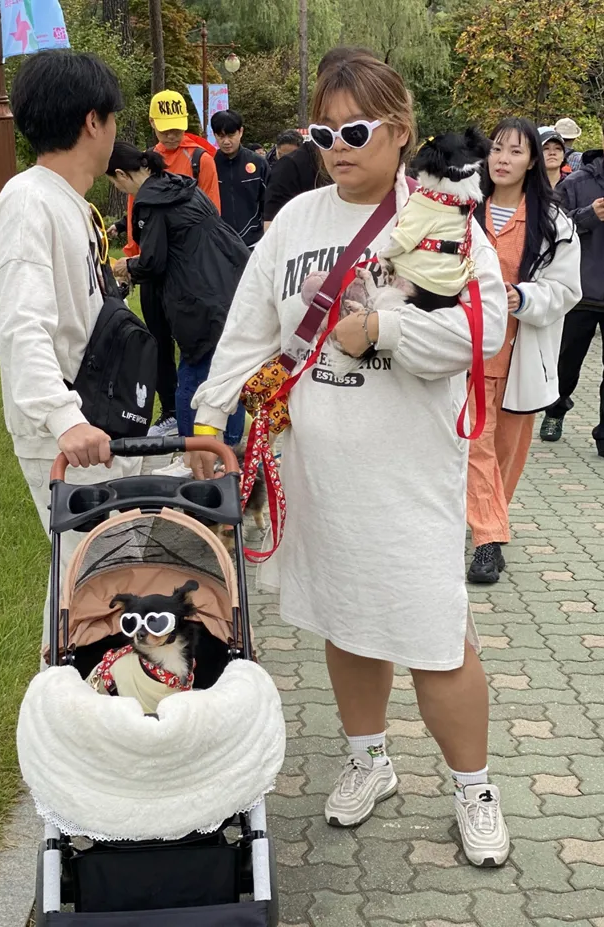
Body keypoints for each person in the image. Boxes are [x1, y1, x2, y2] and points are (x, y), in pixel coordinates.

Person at [188, 48, 514, 867]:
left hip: (406, 477)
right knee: (344, 617)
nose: (338, 144)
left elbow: (485, 328)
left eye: (357, 128)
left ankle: (472, 785)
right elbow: (251, 324)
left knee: (435, 638)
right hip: (320, 474)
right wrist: (206, 416)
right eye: (324, 129)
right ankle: (368, 758)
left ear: (398, 132)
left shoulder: (440, 217)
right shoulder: (295, 220)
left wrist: (385, 330)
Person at [0, 50, 142, 654]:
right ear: (92, 122)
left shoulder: (68, 202)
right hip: (64, 430)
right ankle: (73, 697)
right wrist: (63, 419)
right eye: (114, 120)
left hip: (91, 418)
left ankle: (91, 693)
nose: (115, 133)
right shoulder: (30, 201)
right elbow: (22, 325)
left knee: (98, 568)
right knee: (95, 573)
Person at [466, 118, 581, 583]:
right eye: (497, 149)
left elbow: (566, 289)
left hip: (519, 355)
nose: (503, 159)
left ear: (532, 160)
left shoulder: (554, 222)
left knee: (508, 454)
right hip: (467, 356)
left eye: (515, 151)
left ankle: (490, 522)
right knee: (476, 446)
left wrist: (525, 297)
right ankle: (488, 540)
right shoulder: (464, 211)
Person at [107, 143, 249, 477]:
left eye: (116, 184)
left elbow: (154, 261)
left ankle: (192, 458)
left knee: (192, 375)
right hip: (230, 281)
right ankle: (232, 454)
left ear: (121, 175)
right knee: (230, 372)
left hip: (196, 297)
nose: (120, 189)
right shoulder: (178, 184)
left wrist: (125, 266)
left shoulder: (149, 202)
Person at [540, 142, 604, 455]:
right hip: (584, 292)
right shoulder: (576, 183)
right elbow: (554, 229)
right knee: (567, 363)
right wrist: (589, 215)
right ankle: (555, 408)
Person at [263, 47, 370, 230]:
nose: (340, 145)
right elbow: (275, 241)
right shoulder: (291, 169)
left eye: (357, 130)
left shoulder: (411, 193)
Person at [211, 109, 270, 248]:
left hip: (253, 243)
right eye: (220, 136)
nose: (226, 141)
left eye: (231, 135)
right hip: (219, 244)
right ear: (214, 135)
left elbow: (269, 203)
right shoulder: (209, 163)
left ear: (241, 132)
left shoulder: (258, 163)